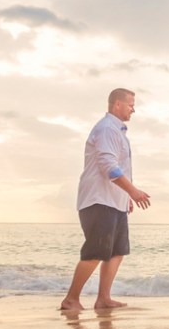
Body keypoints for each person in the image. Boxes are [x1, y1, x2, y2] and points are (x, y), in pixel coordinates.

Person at [61, 88, 151, 313]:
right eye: (131, 104)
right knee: (96, 252)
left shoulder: (118, 132)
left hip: (115, 201)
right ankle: (71, 299)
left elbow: (120, 168)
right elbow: (108, 167)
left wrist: (125, 196)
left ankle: (103, 298)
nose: (134, 109)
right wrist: (133, 191)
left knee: (117, 251)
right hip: (99, 200)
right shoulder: (107, 129)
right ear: (117, 105)